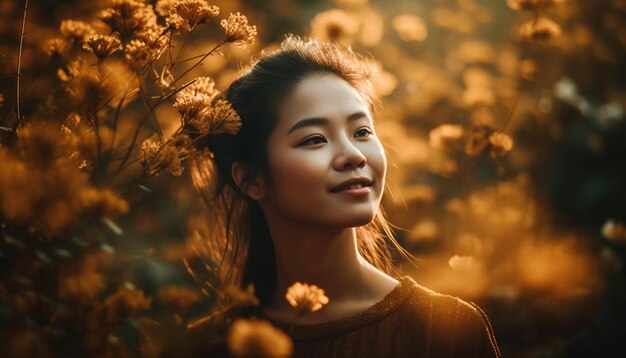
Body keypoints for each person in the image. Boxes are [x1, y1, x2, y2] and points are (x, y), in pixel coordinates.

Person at [190, 35, 501, 357]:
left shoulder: (448, 331)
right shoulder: (208, 347)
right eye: (314, 139)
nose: (354, 155)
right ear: (251, 179)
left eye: (362, 132)